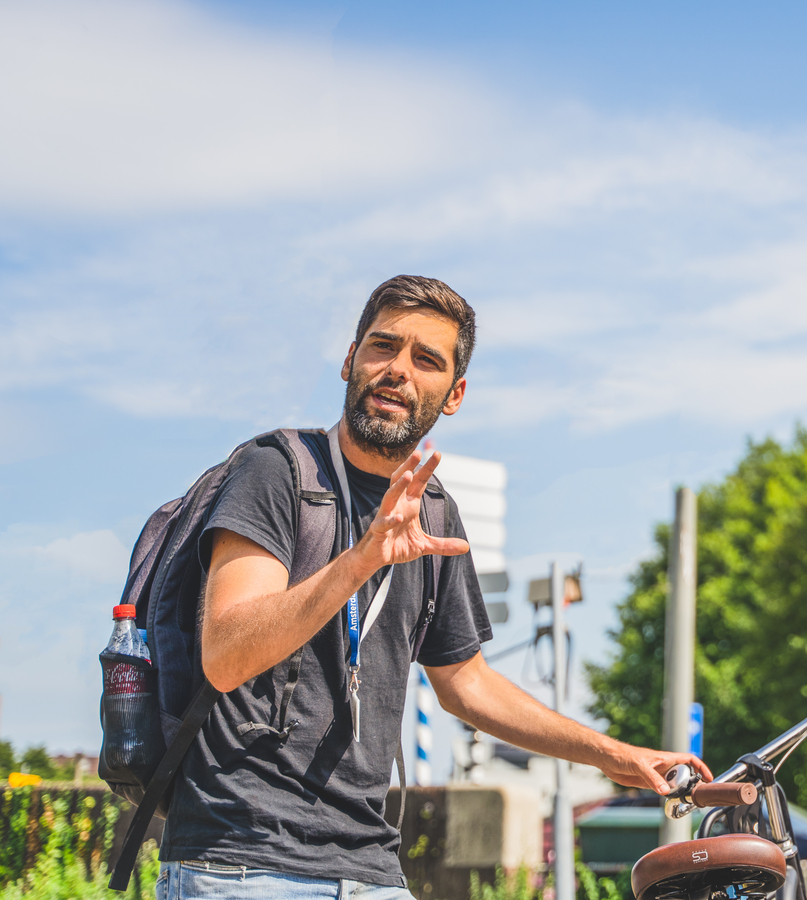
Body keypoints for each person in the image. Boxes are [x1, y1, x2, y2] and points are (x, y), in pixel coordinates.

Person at [156, 275, 710, 899]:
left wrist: (617, 756)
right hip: (243, 861)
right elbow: (226, 655)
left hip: (368, 868)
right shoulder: (279, 472)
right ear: (349, 360)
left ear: (454, 394)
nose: (398, 370)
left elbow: (466, 683)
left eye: (426, 360)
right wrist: (361, 560)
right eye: (383, 347)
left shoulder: (434, 512)